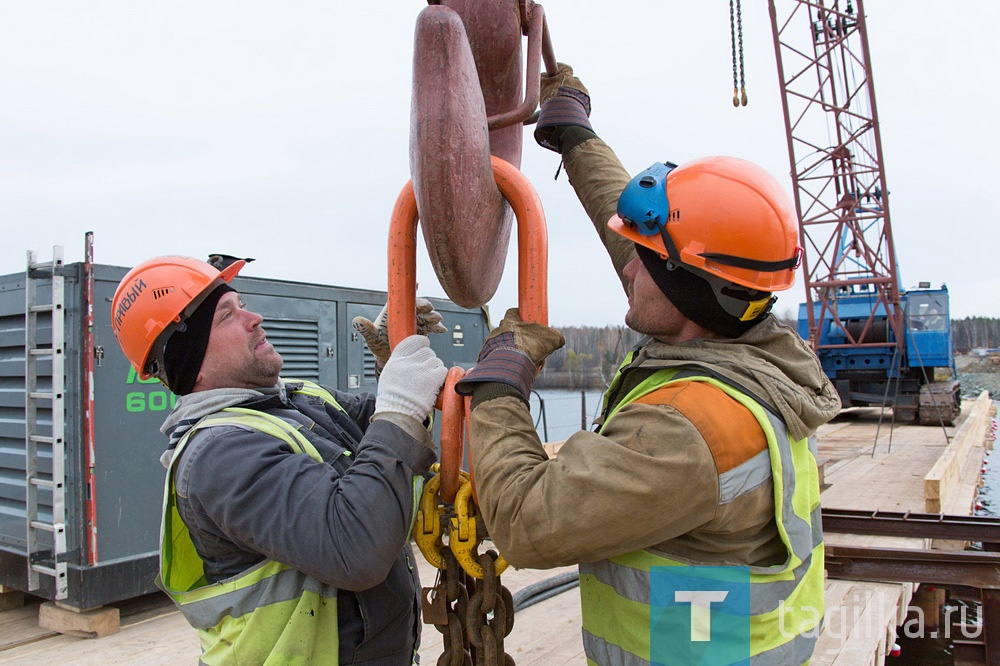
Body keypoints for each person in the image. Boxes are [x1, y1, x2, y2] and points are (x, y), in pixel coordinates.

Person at [454, 65, 842, 665]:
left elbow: (526, 520)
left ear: (688, 291)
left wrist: (499, 386)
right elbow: (660, 255)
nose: (627, 270)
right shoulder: (750, 348)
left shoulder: (691, 431)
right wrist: (579, 140)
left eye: (643, 261)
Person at [110, 255, 449, 665]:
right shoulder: (217, 456)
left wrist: (391, 367)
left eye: (242, 304)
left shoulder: (296, 400)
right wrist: (401, 404)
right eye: (226, 316)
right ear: (192, 362)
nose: (254, 318)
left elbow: (379, 433)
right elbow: (355, 547)